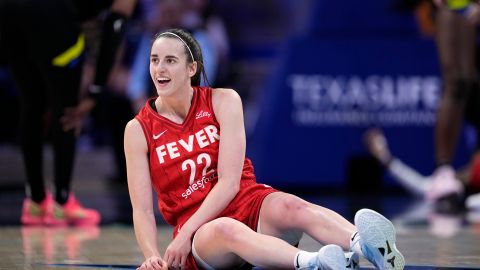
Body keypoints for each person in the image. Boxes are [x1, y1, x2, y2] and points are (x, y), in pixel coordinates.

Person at [124, 28, 405, 270]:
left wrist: (182, 236)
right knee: (227, 228)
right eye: (154, 60)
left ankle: (370, 248)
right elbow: (142, 211)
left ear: (191, 68)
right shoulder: (138, 130)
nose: (159, 69)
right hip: (200, 231)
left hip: (246, 202)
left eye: (170, 61)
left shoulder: (223, 101)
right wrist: (153, 256)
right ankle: (316, 263)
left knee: (291, 205)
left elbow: (230, 183)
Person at [0, 0, 136, 226]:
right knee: (68, 110)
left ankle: (35, 202)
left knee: (32, 104)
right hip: (52, 14)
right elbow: (115, 27)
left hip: (8, 12)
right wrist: (96, 90)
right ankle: (62, 203)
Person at [428, 0, 480, 203]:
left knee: (466, 82)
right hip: (451, 6)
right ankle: (443, 168)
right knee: (456, 82)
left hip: (468, 7)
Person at [364, 128, 480, 210]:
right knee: (428, 186)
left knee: (427, 187)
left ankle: (386, 159)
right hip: (453, 186)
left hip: (461, 191)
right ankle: (386, 158)